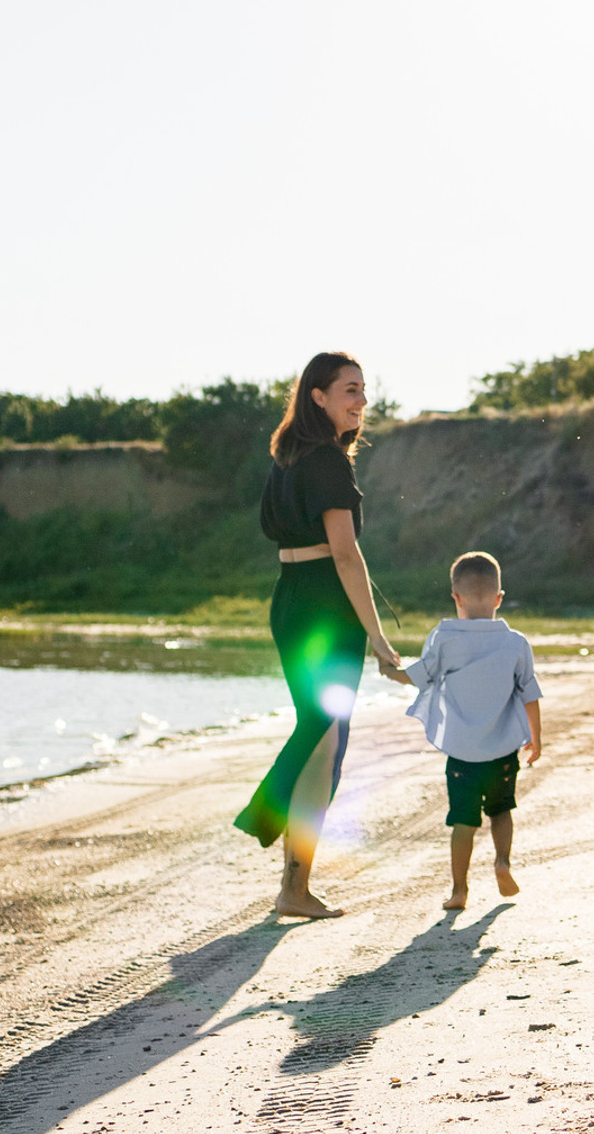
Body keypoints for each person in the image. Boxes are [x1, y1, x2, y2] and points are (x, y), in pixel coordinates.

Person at [234, 351, 407, 920]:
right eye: (350, 390)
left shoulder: (286, 456)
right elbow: (346, 553)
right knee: (323, 738)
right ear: (318, 396)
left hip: (289, 598)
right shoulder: (329, 461)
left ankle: (293, 884)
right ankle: (287, 872)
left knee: (319, 736)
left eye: (363, 391)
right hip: (323, 607)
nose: (361, 401)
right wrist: (378, 639)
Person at [393, 550, 543, 912]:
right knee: (502, 810)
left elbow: (419, 675)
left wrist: (389, 668)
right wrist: (537, 738)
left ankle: (459, 890)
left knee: (463, 821)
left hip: (462, 753)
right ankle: (503, 862)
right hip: (503, 751)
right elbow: (531, 694)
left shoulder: (444, 638)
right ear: (499, 598)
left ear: (455, 598)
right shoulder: (515, 643)